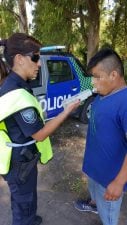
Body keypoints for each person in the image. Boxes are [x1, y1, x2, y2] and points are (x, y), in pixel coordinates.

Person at [0, 33, 80, 225]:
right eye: (35, 57)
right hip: (20, 162)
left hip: (19, 157)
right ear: (19, 59)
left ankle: (30, 218)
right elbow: (40, 133)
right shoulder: (16, 92)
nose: (39, 63)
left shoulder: (14, 83)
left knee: (23, 199)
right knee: (23, 205)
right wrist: (66, 111)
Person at [74, 48, 127, 225]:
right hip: (95, 170)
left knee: (109, 218)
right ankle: (94, 203)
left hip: (110, 179)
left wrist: (119, 182)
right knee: (98, 199)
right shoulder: (103, 94)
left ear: (113, 75)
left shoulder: (124, 102)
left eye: (97, 77)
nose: (93, 83)